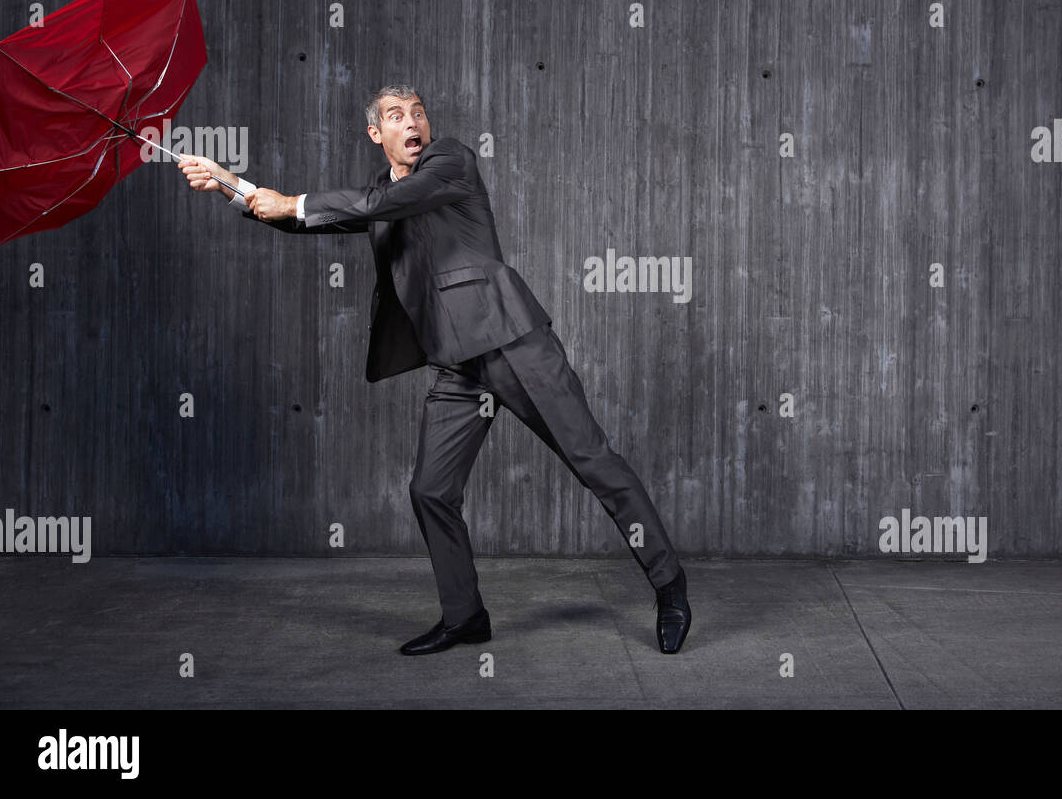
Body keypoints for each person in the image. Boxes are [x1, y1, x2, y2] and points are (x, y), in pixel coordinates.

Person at [176, 85, 691, 655]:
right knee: (431, 490)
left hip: (511, 341)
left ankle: (670, 585)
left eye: (417, 112)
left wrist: (291, 199)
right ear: (377, 134)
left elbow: (366, 206)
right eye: (396, 116)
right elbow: (309, 220)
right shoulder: (376, 192)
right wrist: (232, 184)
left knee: (593, 462)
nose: (412, 121)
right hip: (457, 365)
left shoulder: (450, 161)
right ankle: (465, 616)